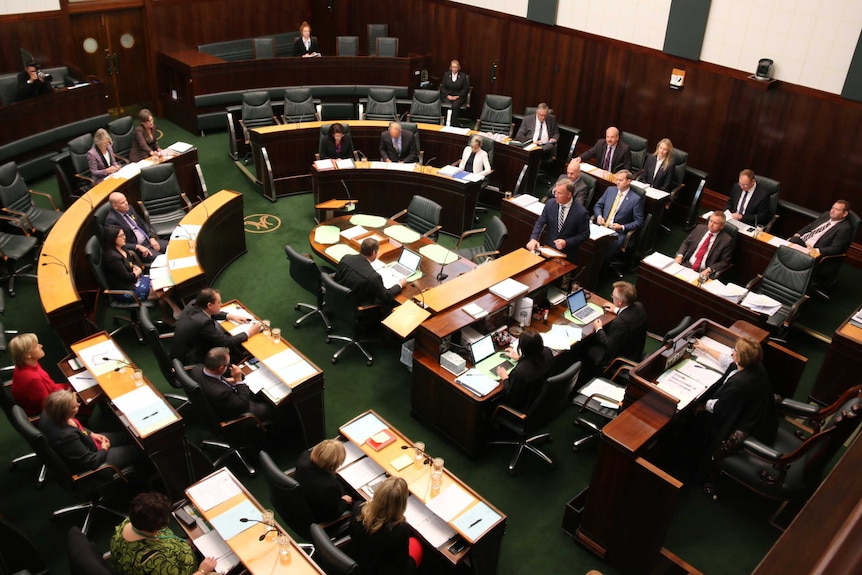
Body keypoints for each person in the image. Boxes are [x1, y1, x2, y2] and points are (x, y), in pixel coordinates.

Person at [111, 491, 216, 575]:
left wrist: (185, 543)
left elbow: (162, 537)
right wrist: (202, 571)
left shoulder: (128, 522)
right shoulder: (155, 561)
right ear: (154, 527)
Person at [39, 390, 139, 474]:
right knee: (137, 449)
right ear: (65, 412)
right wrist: (104, 449)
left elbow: (78, 426)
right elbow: (91, 462)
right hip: (96, 459)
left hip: (89, 442)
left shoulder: (50, 411)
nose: (78, 404)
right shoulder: (67, 437)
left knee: (129, 436)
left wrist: (92, 434)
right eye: (75, 406)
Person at [101, 226, 181, 319]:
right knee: (161, 290)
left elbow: (133, 264)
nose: (124, 237)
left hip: (137, 280)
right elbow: (128, 277)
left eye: (124, 234)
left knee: (162, 283)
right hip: (127, 290)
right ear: (113, 238)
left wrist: (136, 270)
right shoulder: (112, 258)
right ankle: (175, 311)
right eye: (121, 236)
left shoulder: (122, 248)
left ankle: (168, 315)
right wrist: (138, 271)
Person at [350, 476, 423, 575]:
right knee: (416, 544)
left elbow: (351, 534)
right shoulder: (400, 529)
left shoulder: (358, 508)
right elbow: (401, 562)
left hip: (359, 560)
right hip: (382, 570)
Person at [171, 288, 261, 364]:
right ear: (209, 305)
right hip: (190, 357)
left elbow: (209, 312)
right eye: (218, 302)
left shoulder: (194, 304)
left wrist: (230, 316)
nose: (221, 304)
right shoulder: (204, 323)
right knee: (228, 344)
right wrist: (250, 332)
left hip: (180, 349)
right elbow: (227, 342)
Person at [190, 346, 276, 423]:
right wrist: (238, 380)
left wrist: (225, 380)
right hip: (234, 412)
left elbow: (211, 380)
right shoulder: (221, 393)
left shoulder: (197, 369)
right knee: (269, 408)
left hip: (214, 398)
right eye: (228, 364)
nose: (230, 366)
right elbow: (243, 404)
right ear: (220, 368)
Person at [583, 281, 647, 379]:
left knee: (586, 347)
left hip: (619, 358)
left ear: (620, 302)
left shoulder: (620, 323)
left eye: (613, 296)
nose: (612, 298)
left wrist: (598, 329)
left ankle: (588, 376)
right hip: (635, 350)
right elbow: (629, 314)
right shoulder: (640, 306)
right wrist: (617, 310)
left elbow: (609, 346)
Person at [526, 178, 590, 263]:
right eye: (555, 192)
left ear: (569, 195)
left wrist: (566, 242)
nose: (555, 195)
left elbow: (584, 235)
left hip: (567, 255)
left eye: (559, 193)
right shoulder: (550, 204)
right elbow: (540, 223)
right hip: (547, 250)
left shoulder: (581, 212)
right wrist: (533, 238)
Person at [10, 333, 71, 417]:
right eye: (36, 346)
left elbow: (49, 386)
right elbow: (49, 407)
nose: (41, 346)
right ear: (28, 355)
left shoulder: (28, 364)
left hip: (55, 393)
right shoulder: (33, 379)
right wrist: (72, 397)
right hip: (55, 410)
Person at [335, 238, 404, 310]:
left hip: (337, 299)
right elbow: (386, 297)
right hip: (356, 310)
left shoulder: (346, 258)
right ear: (374, 252)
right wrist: (400, 285)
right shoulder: (373, 277)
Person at [495, 329, 555, 412]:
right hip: (541, 400)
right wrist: (519, 358)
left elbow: (512, 397)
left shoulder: (519, 372)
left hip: (522, 409)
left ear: (522, 348)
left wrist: (504, 378)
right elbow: (534, 360)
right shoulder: (547, 352)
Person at [295, 439, 352, 523]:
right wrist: (344, 500)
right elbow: (334, 514)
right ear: (333, 464)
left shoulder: (304, 457)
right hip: (320, 515)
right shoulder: (328, 486)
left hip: (306, 497)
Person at [105, 191, 167, 264]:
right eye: (122, 203)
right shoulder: (112, 220)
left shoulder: (129, 208)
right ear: (115, 206)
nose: (126, 203)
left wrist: (151, 237)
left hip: (148, 241)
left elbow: (143, 223)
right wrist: (137, 246)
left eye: (126, 200)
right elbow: (117, 244)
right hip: (139, 249)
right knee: (163, 260)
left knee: (174, 247)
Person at [593, 170, 645, 255]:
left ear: (629, 181)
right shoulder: (610, 190)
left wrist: (622, 227)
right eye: (617, 180)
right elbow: (598, 205)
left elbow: (639, 222)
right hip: (601, 227)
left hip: (617, 233)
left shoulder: (635, 199)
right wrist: (599, 216)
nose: (617, 182)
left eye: (620, 180)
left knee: (601, 252)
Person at [674, 211, 734, 278]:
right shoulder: (699, 228)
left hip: (703, 272)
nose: (711, 225)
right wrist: (680, 255)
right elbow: (686, 242)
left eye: (715, 223)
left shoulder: (726, 240)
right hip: (686, 264)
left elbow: (724, 261)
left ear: (721, 226)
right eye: (711, 221)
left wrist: (709, 269)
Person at [789, 200, 854, 257]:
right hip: (802, 241)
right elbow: (810, 226)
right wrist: (798, 234)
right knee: (792, 241)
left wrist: (815, 251)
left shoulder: (844, 228)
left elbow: (836, 248)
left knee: (791, 244)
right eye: (832, 208)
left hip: (813, 250)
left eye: (837, 210)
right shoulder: (826, 215)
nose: (832, 211)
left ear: (844, 213)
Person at [439, 59, 469, 126]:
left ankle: (453, 123)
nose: (454, 69)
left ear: (458, 68)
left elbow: (465, 89)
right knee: (447, 104)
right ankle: (446, 122)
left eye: (455, 67)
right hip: (448, 95)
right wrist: (447, 95)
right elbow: (442, 87)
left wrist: (458, 96)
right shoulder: (446, 75)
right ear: (451, 67)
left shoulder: (463, 76)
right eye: (453, 67)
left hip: (459, 96)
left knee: (455, 105)